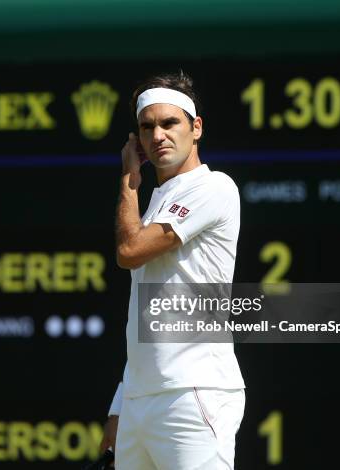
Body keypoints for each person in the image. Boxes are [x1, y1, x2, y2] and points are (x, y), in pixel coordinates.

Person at [99, 72, 246, 470]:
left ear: (196, 128)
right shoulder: (155, 206)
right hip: (140, 402)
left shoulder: (214, 187)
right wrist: (120, 406)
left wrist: (129, 180)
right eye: (147, 127)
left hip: (194, 393)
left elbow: (129, 251)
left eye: (170, 123)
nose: (158, 135)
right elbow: (148, 314)